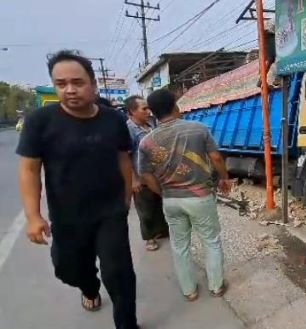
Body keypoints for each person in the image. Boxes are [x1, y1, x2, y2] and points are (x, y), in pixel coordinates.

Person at [16, 50, 138, 329]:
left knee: (118, 272)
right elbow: (29, 170)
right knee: (68, 269)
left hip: (110, 211)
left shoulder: (113, 120)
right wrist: (33, 216)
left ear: (93, 84)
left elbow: (123, 159)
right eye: (61, 84)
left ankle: (127, 324)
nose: (70, 90)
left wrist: (126, 197)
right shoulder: (40, 121)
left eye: (77, 82)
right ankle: (88, 287)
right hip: (67, 216)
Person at [138, 89, 230, 301]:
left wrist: (162, 192)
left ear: (152, 112)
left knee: (180, 246)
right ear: (175, 106)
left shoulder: (146, 142)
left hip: (171, 200)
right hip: (200, 197)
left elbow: (145, 175)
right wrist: (225, 178)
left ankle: (189, 290)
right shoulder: (198, 129)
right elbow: (215, 157)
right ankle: (216, 286)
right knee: (211, 241)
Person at [125, 95, 169, 251]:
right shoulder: (128, 129)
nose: (148, 111)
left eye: (148, 107)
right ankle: (149, 238)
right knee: (146, 209)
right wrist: (133, 180)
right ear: (132, 111)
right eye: (144, 108)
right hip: (141, 176)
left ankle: (162, 231)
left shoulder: (151, 124)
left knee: (158, 203)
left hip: (157, 174)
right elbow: (126, 157)